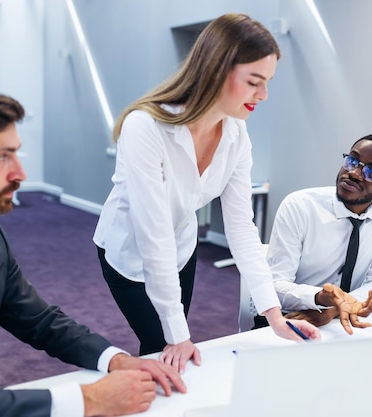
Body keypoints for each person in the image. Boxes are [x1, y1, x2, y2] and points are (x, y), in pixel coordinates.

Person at [0, 80, 186, 417]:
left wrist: (116, 360)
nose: (20, 173)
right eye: (2, 157)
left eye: (16, 153)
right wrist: (89, 400)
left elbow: (37, 319)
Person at [93, 12, 319, 373]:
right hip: (129, 252)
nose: (263, 95)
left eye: (268, 82)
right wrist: (178, 334)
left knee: (171, 347)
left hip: (181, 248)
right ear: (216, 69)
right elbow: (153, 236)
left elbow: (242, 228)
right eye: (254, 82)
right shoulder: (145, 128)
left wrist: (274, 315)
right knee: (161, 343)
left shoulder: (236, 135)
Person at [267, 134, 372, 334]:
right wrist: (319, 298)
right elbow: (273, 286)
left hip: (341, 323)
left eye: (371, 172)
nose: (355, 174)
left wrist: (332, 309)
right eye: (352, 161)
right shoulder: (300, 206)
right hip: (287, 319)